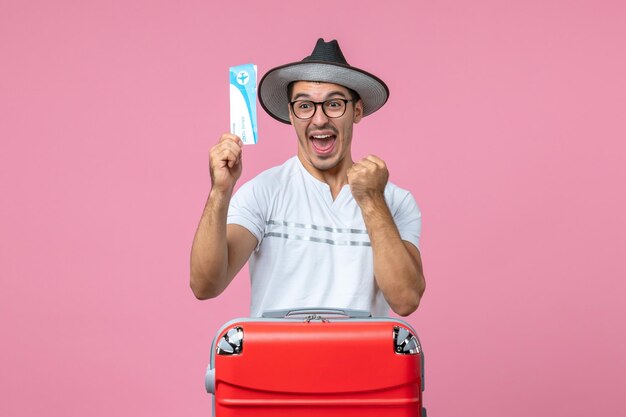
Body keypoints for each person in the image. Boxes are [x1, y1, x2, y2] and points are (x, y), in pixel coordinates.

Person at [190, 39, 425, 317]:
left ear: (356, 110)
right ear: (291, 114)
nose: (319, 119)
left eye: (334, 104)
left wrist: (373, 201)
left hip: (361, 361)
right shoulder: (263, 192)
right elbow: (205, 286)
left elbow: (406, 300)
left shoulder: (395, 201)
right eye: (305, 106)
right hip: (276, 359)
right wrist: (220, 191)